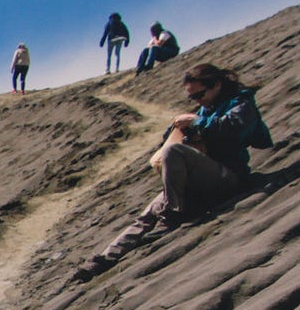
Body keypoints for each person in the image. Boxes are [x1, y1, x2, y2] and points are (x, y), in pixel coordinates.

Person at [78, 63, 273, 276]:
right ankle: (104, 259)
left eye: (199, 94)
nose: (197, 100)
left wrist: (197, 122)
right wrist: (176, 129)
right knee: (149, 213)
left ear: (217, 85)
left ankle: (173, 213)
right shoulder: (207, 109)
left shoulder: (241, 104)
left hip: (229, 177)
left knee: (173, 155)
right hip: (199, 182)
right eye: (192, 97)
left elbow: (232, 128)